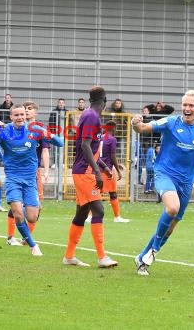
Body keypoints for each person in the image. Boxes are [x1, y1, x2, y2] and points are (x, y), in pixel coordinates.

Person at [131, 89, 194, 276]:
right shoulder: (170, 122)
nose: (187, 108)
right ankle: (153, 252)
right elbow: (143, 128)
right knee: (172, 208)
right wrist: (136, 124)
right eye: (184, 105)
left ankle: (143, 257)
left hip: (186, 182)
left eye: (191, 105)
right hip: (164, 174)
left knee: (170, 228)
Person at [0, 104, 63, 257]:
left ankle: (22, 212)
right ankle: (33, 245)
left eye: (22, 114)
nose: (20, 117)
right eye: (16, 115)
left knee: (32, 217)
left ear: (26, 115)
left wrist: (46, 133)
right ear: (11, 117)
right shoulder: (4, 132)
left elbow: (60, 142)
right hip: (13, 179)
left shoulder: (35, 130)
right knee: (17, 214)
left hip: (30, 180)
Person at [63, 86, 118, 268]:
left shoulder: (90, 116)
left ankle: (69, 256)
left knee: (81, 214)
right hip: (84, 171)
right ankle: (102, 257)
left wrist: (102, 166)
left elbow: (89, 147)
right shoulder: (91, 116)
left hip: (87, 169)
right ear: (105, 100)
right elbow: (85, 146)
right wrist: (96, 172)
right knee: (99, 210)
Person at [5, 100, 52, 246]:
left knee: (36, 207)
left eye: (29, 109)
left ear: (35, 112)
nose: (26, 111)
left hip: (34, 172)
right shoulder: (14, 129)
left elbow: (45, 150)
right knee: (16, 207)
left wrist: (46, 170)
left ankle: (26, 237)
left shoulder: (40, 129)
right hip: (17, 172)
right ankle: (11, 236)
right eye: (25, 109)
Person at [98, 120, 129, 223]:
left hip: (98, 168)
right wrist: (118, 171)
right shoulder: (112, 139)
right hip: (108, 169)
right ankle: (117, 217)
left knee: (95, 192)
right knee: (113, 193)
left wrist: (118, 164)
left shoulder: (100, 138)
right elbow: (112, 155)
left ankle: (89, 216)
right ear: (113, 128)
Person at [48, 98, 68, 168]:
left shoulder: (67, 112)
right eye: (60, 103)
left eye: (62, 103)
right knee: (55, 148)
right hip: (56, 133)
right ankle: (54, 163)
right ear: (58, 103)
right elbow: (50, 122)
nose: (61, 104)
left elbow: (70, 123)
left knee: (63, 148)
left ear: (64, 104)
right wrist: (52, 132)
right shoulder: (54, 112)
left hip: (65, 133)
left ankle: (62, 163)